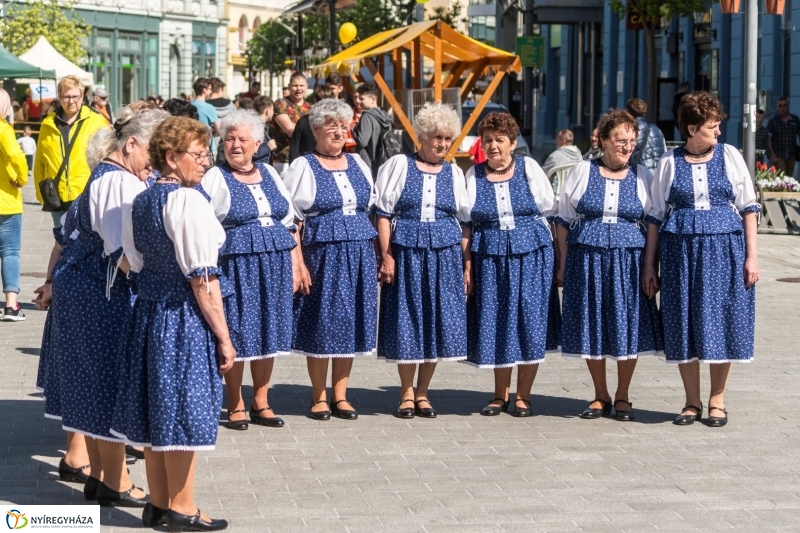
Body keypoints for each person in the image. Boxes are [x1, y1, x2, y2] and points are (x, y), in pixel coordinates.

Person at [111, 116, 233, 531]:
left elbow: (133, 262)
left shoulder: (142, 199)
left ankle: (159, 503)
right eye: (197, 155)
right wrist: (224, 336)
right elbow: (203, 281)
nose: (205, 162)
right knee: (183, 408)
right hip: (182, 317)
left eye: (206, 154)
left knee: (157, 410)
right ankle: (182, 506)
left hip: (149, 313)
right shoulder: (187, 201)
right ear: (171, 157)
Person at [45, 108, 168, 508]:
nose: (160, 159)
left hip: (85, 286)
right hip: (101, 291)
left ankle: (101, 477)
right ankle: (114, 480)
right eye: (156, 149)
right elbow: (126, 255)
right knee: (106, 383)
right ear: (131, 144)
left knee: (94, 381)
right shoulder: (119, 182)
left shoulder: (109, 175)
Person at [645, 92, 760, 428]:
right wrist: (649, 265)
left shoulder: (730, 156)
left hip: (725, 252)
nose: (718, 132)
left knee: (723, 317)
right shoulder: (669, 162)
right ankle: (691, 401)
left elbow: (749, 208)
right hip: (680, 255)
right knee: (684, 319)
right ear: (692, 128)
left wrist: (752, 257)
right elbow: (654, 216)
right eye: (712, 126)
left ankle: (717, 399)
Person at [555, 109, 663, 422]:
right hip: (586, 259)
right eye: (620, 140)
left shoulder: (644, 175)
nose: (627, 146)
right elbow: (562, 219)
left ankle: (623, 395)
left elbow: (654, 222)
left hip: (629, 262)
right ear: (603, 140)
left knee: (627, 325)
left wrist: (649, 267)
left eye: (632, 140)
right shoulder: (583, 170)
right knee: (593, 324)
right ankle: (600, 394)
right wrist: (561, 262)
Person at [202, 109, 302, 431]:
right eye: (229, 138)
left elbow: (289, 222)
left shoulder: (270, 174)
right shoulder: (216, 176)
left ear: (257, 142)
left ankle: (262, 401)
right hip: (236, 264)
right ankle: (235, 403)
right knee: (238, 330)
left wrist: (297, 265)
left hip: (274, 263)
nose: (235, 144)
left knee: (268, 331)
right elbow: (202, 222)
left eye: (242, 139)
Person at [374, 102, 470, 418]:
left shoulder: (455, 173)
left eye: (447, 139)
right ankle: (405, 393)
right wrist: (387, 256)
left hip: (444, 254)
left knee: (435, 321)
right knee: (407, 319)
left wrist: (466, 262)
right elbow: (384, 214)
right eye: (436, 137)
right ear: (421, 137)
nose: (441, 144)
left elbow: (464, 221)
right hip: (407, 252)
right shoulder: (399, 165)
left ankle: (423, 393)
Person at [283, 99, 376, 421]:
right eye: (330, 125)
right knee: (323, 321)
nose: (338, 131)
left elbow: (372, 207)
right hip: (323, 252)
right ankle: (318, 395)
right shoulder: (302, 166)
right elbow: (291, 219)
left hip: (360, 251)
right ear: (316, 129)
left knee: (349, 322)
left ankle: (341, 395)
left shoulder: (358, 162)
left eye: (343, 125)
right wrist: (298, 262)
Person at [464, 112, 559, 417]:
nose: (493, 146)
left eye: (499, 140)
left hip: (532, 253)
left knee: (529, 320)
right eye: (488, 140)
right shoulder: (473, 175)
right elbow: (466, 223)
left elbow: (550, 212)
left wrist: (559, 263)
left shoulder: (529, 168)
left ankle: (524, 395)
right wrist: (466, 264)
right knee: (497, 320)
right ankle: (498, 394)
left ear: (512, 143)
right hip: (490, 255)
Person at [34, 75, 109, 226]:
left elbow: (107, 158)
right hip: (57, 197)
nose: (71, 101)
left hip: (86, 195)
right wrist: (41, 194)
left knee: (85, 244)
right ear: (59, 97)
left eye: (75, 96)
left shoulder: (97, 122)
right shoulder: (48, 124)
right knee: (62, 243)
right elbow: (40, 162)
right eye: (66, 97)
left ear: (82, 96)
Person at [0, 88, 28, 321]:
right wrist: (21, 178)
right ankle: (11, 305)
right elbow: (16, 156)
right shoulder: (4, 129)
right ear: (6, 108)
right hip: (6, 201)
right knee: (9, 252)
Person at [271, 72, 310, 174]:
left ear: (306, 86)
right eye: (295, 86)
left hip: (306, 159)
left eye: (301, 85)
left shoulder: (311, 108)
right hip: (283, 159)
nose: (298, 89)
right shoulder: (281, 103)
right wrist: (310, 133)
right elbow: (290, 130)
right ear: (289, 86)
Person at [353, 82, 391, 178]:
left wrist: (353, 130)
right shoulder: (384, 115)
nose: (359, 101)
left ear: (373, 99)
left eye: (362, 99)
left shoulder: (367, 116)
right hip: (383, 160)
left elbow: (362, 142)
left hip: (368, 162)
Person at [289, 84, 334, 163]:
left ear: (314, 100)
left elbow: (294, 151)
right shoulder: (335, 122)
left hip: (308, 164)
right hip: (330, 163)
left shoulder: (303, 121)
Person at [626, 98, 666, 174]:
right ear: (644, 112)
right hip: (657, 175)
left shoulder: (631, 131)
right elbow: (664, 151)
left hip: (640, 175)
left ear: (629, 113)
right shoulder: (657, 129)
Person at [767, 97, 800, 176]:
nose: (782, 108)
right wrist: (772, 154)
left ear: (788, 107)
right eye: (780, 106)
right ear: (777, 108)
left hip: (792, 153)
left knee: (789, 176)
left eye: (784, 105)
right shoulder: (773, 121)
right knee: (782, 176)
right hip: (779, 154)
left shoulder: (795, 119)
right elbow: (768, 139)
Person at [190, 77, 220, 149]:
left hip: (191, 143)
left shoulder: (189, 105)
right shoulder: (209, 107)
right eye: (210, 89)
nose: (211, 92)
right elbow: (219, 130)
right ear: (204, 90)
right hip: (206, 144)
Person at [208, 77, 236, 151]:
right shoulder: (230, 104)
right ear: (220, 89)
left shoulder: (205, 106)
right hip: (227, 139)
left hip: (210, 140)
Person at [252, 95, 277, 165]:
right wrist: (268, 147)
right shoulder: (254, 127)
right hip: (257, 167)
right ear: (267, 111)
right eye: (273, 109)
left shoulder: (263, 126)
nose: (273, 112)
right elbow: (250, 152)